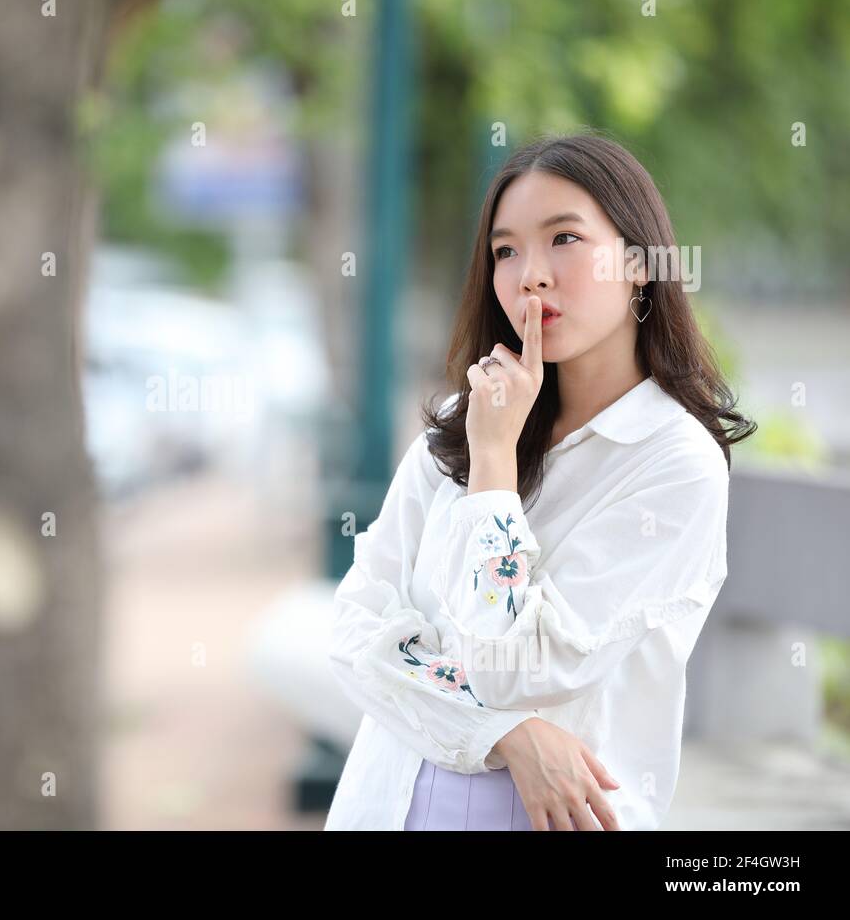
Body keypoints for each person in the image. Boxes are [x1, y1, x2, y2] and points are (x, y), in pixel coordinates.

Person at [323, 132, 755, 831]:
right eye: (505, 250)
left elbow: (513, 666)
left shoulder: (673, 462)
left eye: (564, 239)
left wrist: (493, 474)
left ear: (640, 263)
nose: (531, 274)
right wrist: (504, 735)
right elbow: (353, 630)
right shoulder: (464, 425)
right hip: (384, 803)